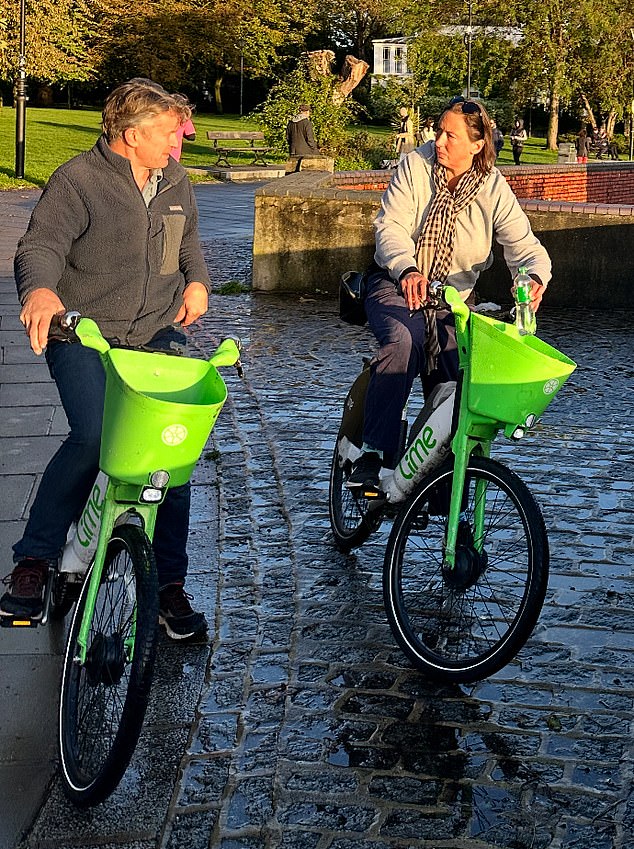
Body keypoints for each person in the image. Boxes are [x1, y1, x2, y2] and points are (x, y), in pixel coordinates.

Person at [1, 79, 212, 641]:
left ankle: (167, 584)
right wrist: (40, 292)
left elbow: (188, 238)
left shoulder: (174, 178)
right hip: (86, 334)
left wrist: (197, 282)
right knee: (94, 435)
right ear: (131, 133)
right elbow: (39, 246)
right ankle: (36, 559)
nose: (177, 142)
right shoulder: (79, 180)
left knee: (174, 448)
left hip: (155, 332)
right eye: (168, 132)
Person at [346, 96, 551, 490]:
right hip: (395, 283)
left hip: (452, 299)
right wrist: (407, 268)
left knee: (459, 378)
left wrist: (534, 278)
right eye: (438, 131)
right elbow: (389, 227)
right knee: (403, 342)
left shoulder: (492, 187)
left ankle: (438, 480)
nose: (438, 141)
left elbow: (523, 246)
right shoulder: (415, 166)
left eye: (449, 135)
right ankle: (372, 453)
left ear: (477, 145)